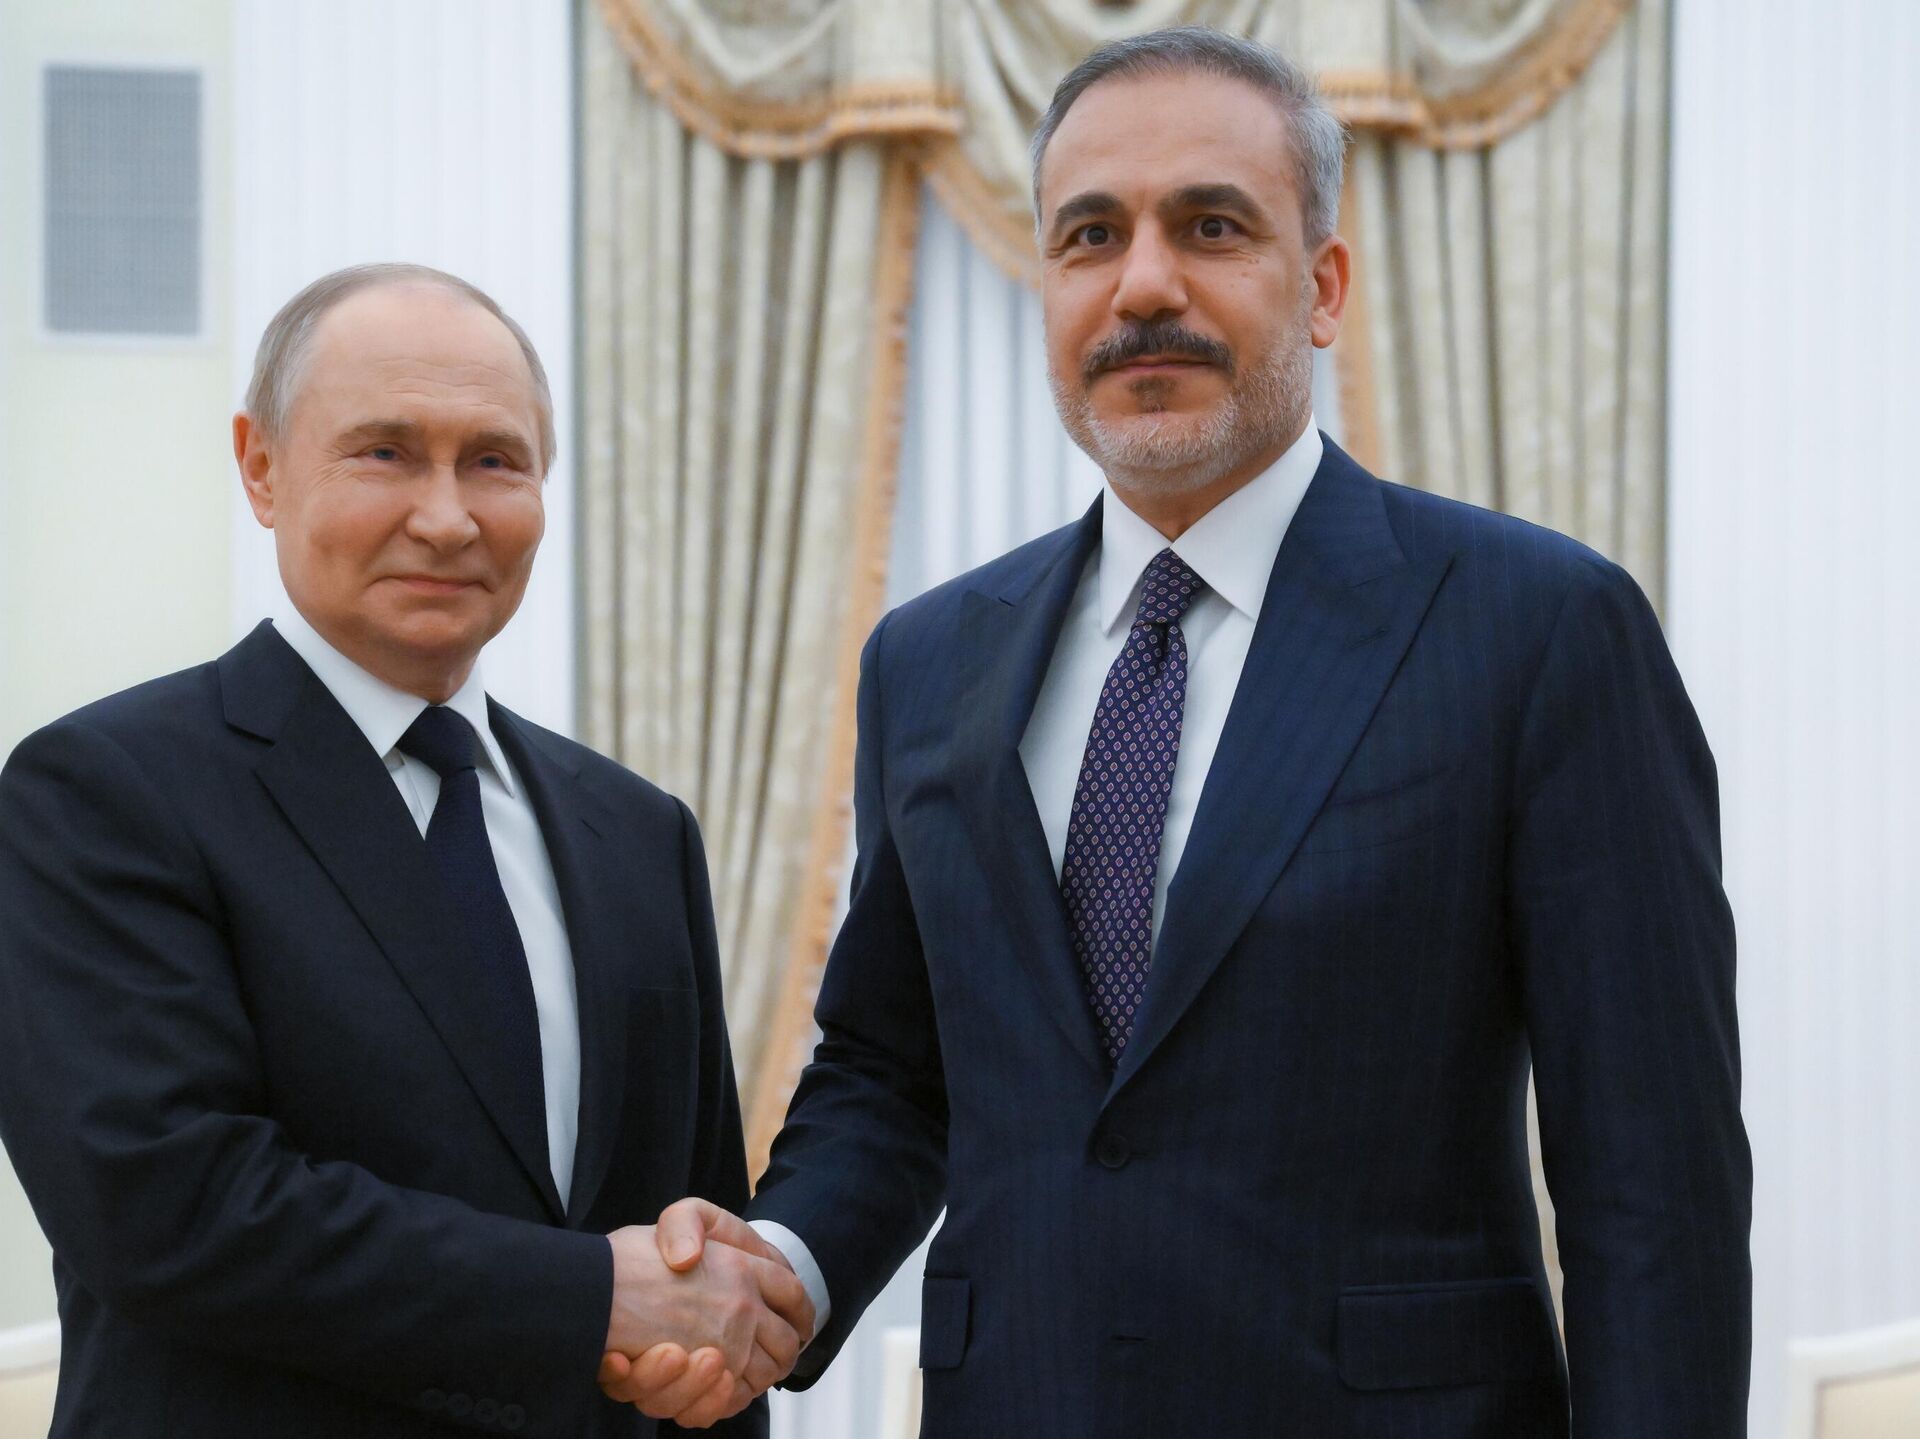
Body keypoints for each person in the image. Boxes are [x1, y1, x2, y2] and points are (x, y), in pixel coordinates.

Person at [609, 24, 1754, 1437]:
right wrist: (779, 1266)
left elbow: (1655, 1185)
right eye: (1090, 236)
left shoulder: (1539, 629)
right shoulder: (929, 658)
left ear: (1323, 286)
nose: (1143, 284)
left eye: (1211, 226)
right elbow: (896, 1073)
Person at [0, 264, 809, 1439]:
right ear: (261, 467)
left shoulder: (638, 832)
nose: (446, 515)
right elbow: (168, 1206)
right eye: (384, 452)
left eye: (494, 459)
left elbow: (689, 1248)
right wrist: (591, 1298)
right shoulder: (105, 790)